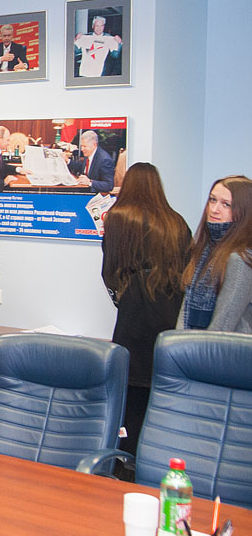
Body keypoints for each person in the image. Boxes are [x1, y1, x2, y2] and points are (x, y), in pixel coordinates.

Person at [101, 163, 190, 455]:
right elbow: (186, 271)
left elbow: (110, 271)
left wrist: (125, 298)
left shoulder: (118, 217)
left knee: (131, 401)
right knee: (161, 393)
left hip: (134, 318)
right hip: (170, 317)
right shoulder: (176, 221)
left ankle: (127, 462)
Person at [180, 175, 252, 333]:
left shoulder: (240, 259)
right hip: (195, 342)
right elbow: (186, 309)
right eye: (212, 200)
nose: (214, 209)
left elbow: (223, 324)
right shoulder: (205, 250)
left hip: (225, 346)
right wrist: (179, 341)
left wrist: (192, 346)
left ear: (244, 211)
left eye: (226, 204)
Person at [74, 14, 121, 78]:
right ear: (93, 26)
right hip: (84, 73)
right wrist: (75, 40)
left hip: (99, 74)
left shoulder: (109, 38)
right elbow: (76, 51)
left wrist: (119, 43)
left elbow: (115, 55)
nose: (99, 28)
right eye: (97, 26)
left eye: (101, 26)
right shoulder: (86, 37)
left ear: (104, 26)